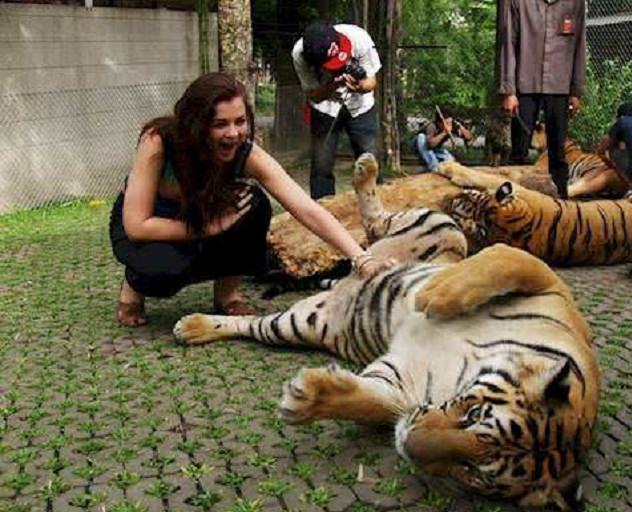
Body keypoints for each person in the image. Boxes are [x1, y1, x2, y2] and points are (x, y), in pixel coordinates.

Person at [110, 72, 394, 327]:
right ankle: (133, 286)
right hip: (152, 223)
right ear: (195, 124)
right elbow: (137, 225)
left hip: (205, 215)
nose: (233, 134)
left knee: (253, 204)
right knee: (160, 277)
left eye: (240, 122)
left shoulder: (247, 154)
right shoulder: (158, 141)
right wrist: (208, 229)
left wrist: (362, 259)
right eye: (220, 124)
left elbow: (305, 208)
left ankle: (227, 294)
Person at [499, 0, 586, 199]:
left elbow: (579, 43)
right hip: (525, 84)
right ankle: (513, 202)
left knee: (558, 151)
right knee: (519, 148)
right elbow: (509, 44)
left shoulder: (575, 3)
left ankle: (561, 203)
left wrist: (576, 90)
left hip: (560, 85)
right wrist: (509, 91)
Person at [292, 21, 381, 199]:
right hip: (325, 108)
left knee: (370, 162)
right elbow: (314, 96)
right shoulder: (299, 55)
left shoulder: (358, 37)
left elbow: (372, 81)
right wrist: (336, 84)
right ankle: (323, 215)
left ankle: (377, 207)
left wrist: (359, 86)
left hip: (360, 106)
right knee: (321, 166)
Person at [413, 107, 474, 172]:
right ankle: (434, 167)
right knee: (421, 137)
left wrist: (460, 126)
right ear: (439, 123)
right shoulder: (432, 126)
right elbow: (430, 145)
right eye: (447, 123)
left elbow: (469, 137)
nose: (449, 125)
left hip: (435, 150)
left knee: (450, 159)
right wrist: (444, 132)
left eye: (450, 122)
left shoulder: (452, 125)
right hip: (422, 148)